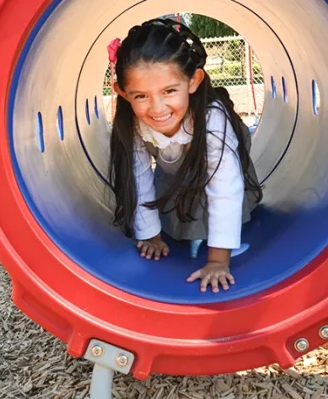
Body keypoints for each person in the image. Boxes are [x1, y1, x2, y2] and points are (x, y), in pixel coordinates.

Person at [107, 19, 263, 293]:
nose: (157, 108)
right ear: (122, 92)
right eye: (141, 95)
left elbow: (225, 188)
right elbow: (139, 177)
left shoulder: (212, 119)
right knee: (172, 188)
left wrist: (217, 261)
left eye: (169, 91)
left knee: (219, 189)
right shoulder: (132, 123)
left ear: (193, 81)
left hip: (222, 155)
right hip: (174, 167)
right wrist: (151, 235)